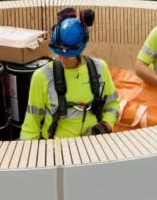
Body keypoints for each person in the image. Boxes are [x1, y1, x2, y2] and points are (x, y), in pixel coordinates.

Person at [20, 8, 120, 139]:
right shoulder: (42, 77)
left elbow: (113, 105)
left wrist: (105, 125)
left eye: (69, 56)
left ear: (81, 49)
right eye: (59, 54)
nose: (63, 60)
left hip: (93, 148)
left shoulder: (100, 68)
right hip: (57, 151)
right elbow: (31, 125)